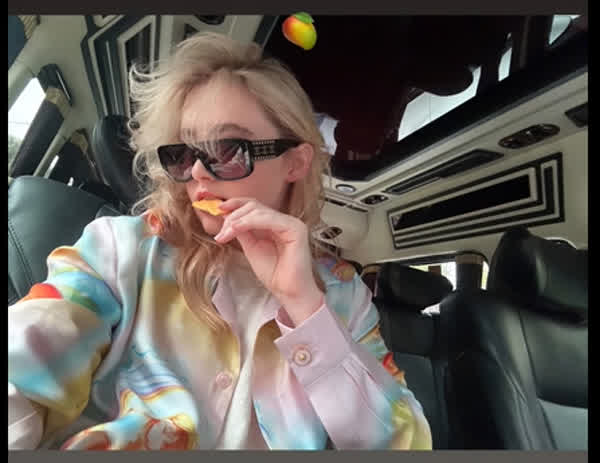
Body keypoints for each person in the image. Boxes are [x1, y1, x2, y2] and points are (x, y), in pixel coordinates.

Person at [8, 32, 432, 450]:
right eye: (182, 154)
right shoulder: (119, 251)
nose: (197, 173)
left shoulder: (345, 295)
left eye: (227, 150)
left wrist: (304, 307)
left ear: (294, 163)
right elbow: (23, 364)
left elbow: (406, 444)